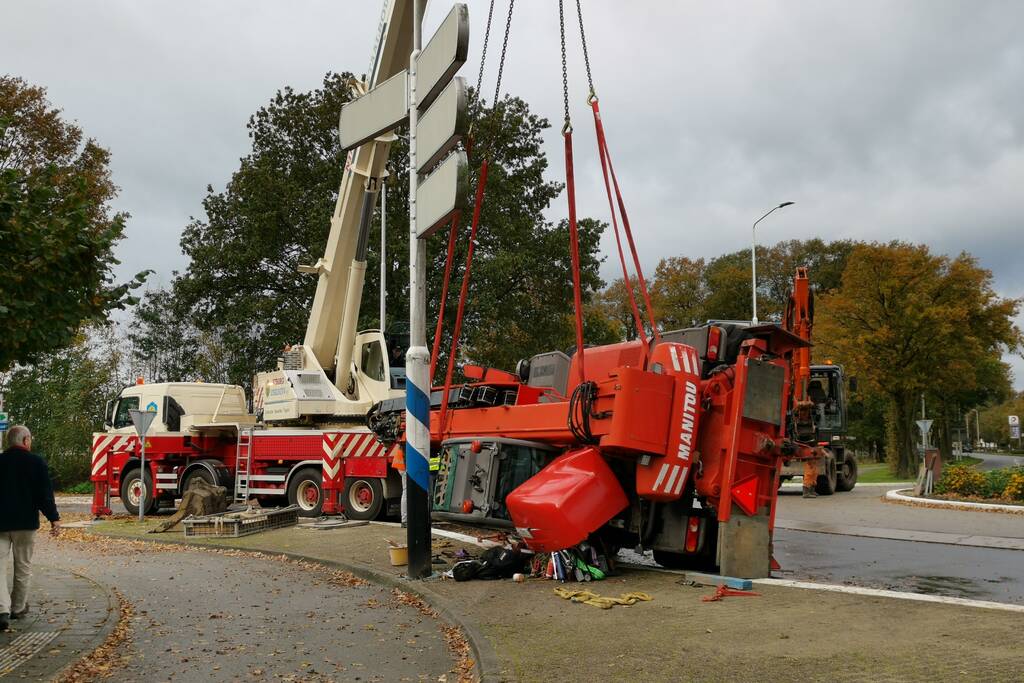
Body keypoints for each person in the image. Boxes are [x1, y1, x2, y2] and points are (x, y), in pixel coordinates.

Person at [0, 425, 61, 631]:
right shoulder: (36, 462)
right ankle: (17, 608)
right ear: (25, 440)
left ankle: (1, 610)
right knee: (23, 566)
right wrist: (54, 519)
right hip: (25, 524)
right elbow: (44, 495)